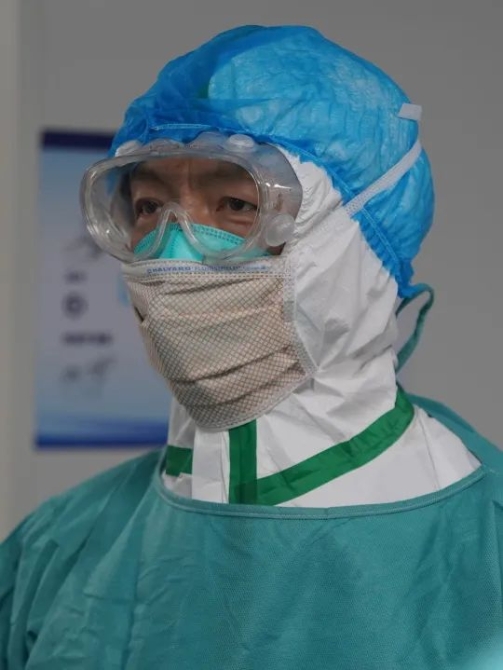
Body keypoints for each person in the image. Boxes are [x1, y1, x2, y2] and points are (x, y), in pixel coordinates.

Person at [1, 24, 502, 670]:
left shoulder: (483, 547)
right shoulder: (60, 550)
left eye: (237, 204)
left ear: (354, 245)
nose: (176, 255)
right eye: (149, 208)